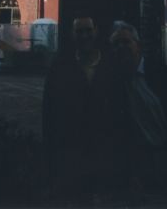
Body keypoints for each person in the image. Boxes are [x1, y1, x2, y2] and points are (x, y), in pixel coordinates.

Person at [110, 21, 167, 208]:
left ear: (137, 46)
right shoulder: (117, 83)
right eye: (116, 45)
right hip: (142, 163)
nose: (121, 48)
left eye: (125, 42)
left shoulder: (160, 74)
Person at [42, 16, 117, 206]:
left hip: (103, 149)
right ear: (72, 35)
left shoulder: (110, 66)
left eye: (88, 30)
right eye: (79, 31)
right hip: (71, 149)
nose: (84, 35)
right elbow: (48, 110)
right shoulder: (59, 67)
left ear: (96, 32)